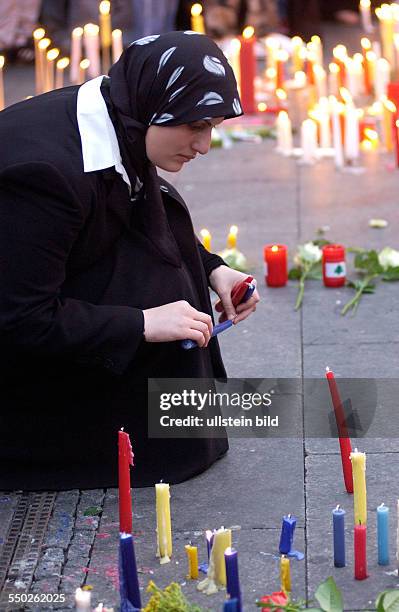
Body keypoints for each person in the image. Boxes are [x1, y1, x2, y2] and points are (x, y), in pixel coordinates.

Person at [0, 31, 259, 490]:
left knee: (171, 270)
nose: (203, 145)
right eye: (194, 125)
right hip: (13, 368)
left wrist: (213, 268)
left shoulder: (119, 113)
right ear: (153, 106)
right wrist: (141, 323)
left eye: (212, 127)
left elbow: (137, 209)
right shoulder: (44, 176)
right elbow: (20, 318)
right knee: (162, 315)